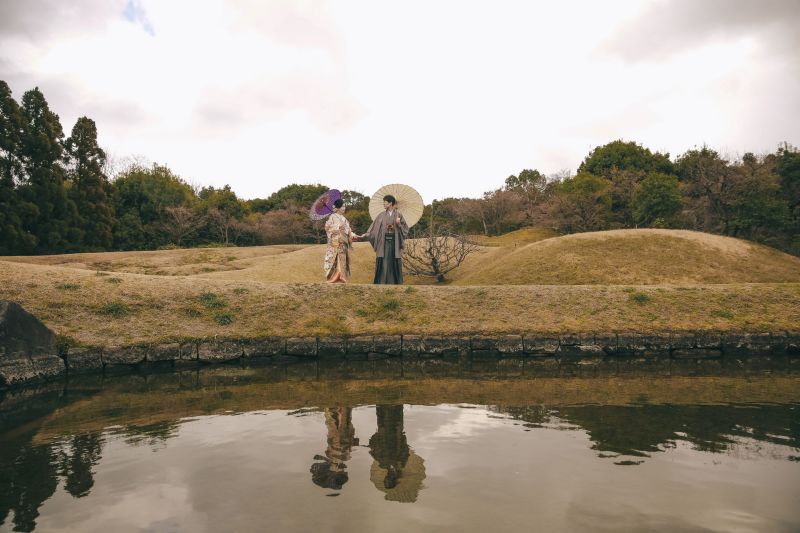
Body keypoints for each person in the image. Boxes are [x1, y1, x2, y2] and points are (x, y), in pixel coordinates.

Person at [360, 195, 409, 284]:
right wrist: (366, 235)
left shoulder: (399, 215)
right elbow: (373, 229)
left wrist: (399, 224)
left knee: (393, 260)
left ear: (390, 203)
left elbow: (405, 230)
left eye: (385, 202)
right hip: (383, 242)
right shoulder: (381, 215)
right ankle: (381, 281)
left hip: (394, 242)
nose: (384, 204)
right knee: (384, 261)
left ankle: (395, 282)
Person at [324, 199, 358, 283]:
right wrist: (337, 228)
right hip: (335, 242)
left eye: (344, 206)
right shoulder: (332, 216)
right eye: (342, 206)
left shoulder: (344, 219)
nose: (344, 208)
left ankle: (341, 276)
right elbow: (327, 228)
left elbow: (348, 230)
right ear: (338, 207)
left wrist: (352, 235)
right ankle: (334, 277)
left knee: (342, 259)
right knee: (335, 259)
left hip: (343, 241)